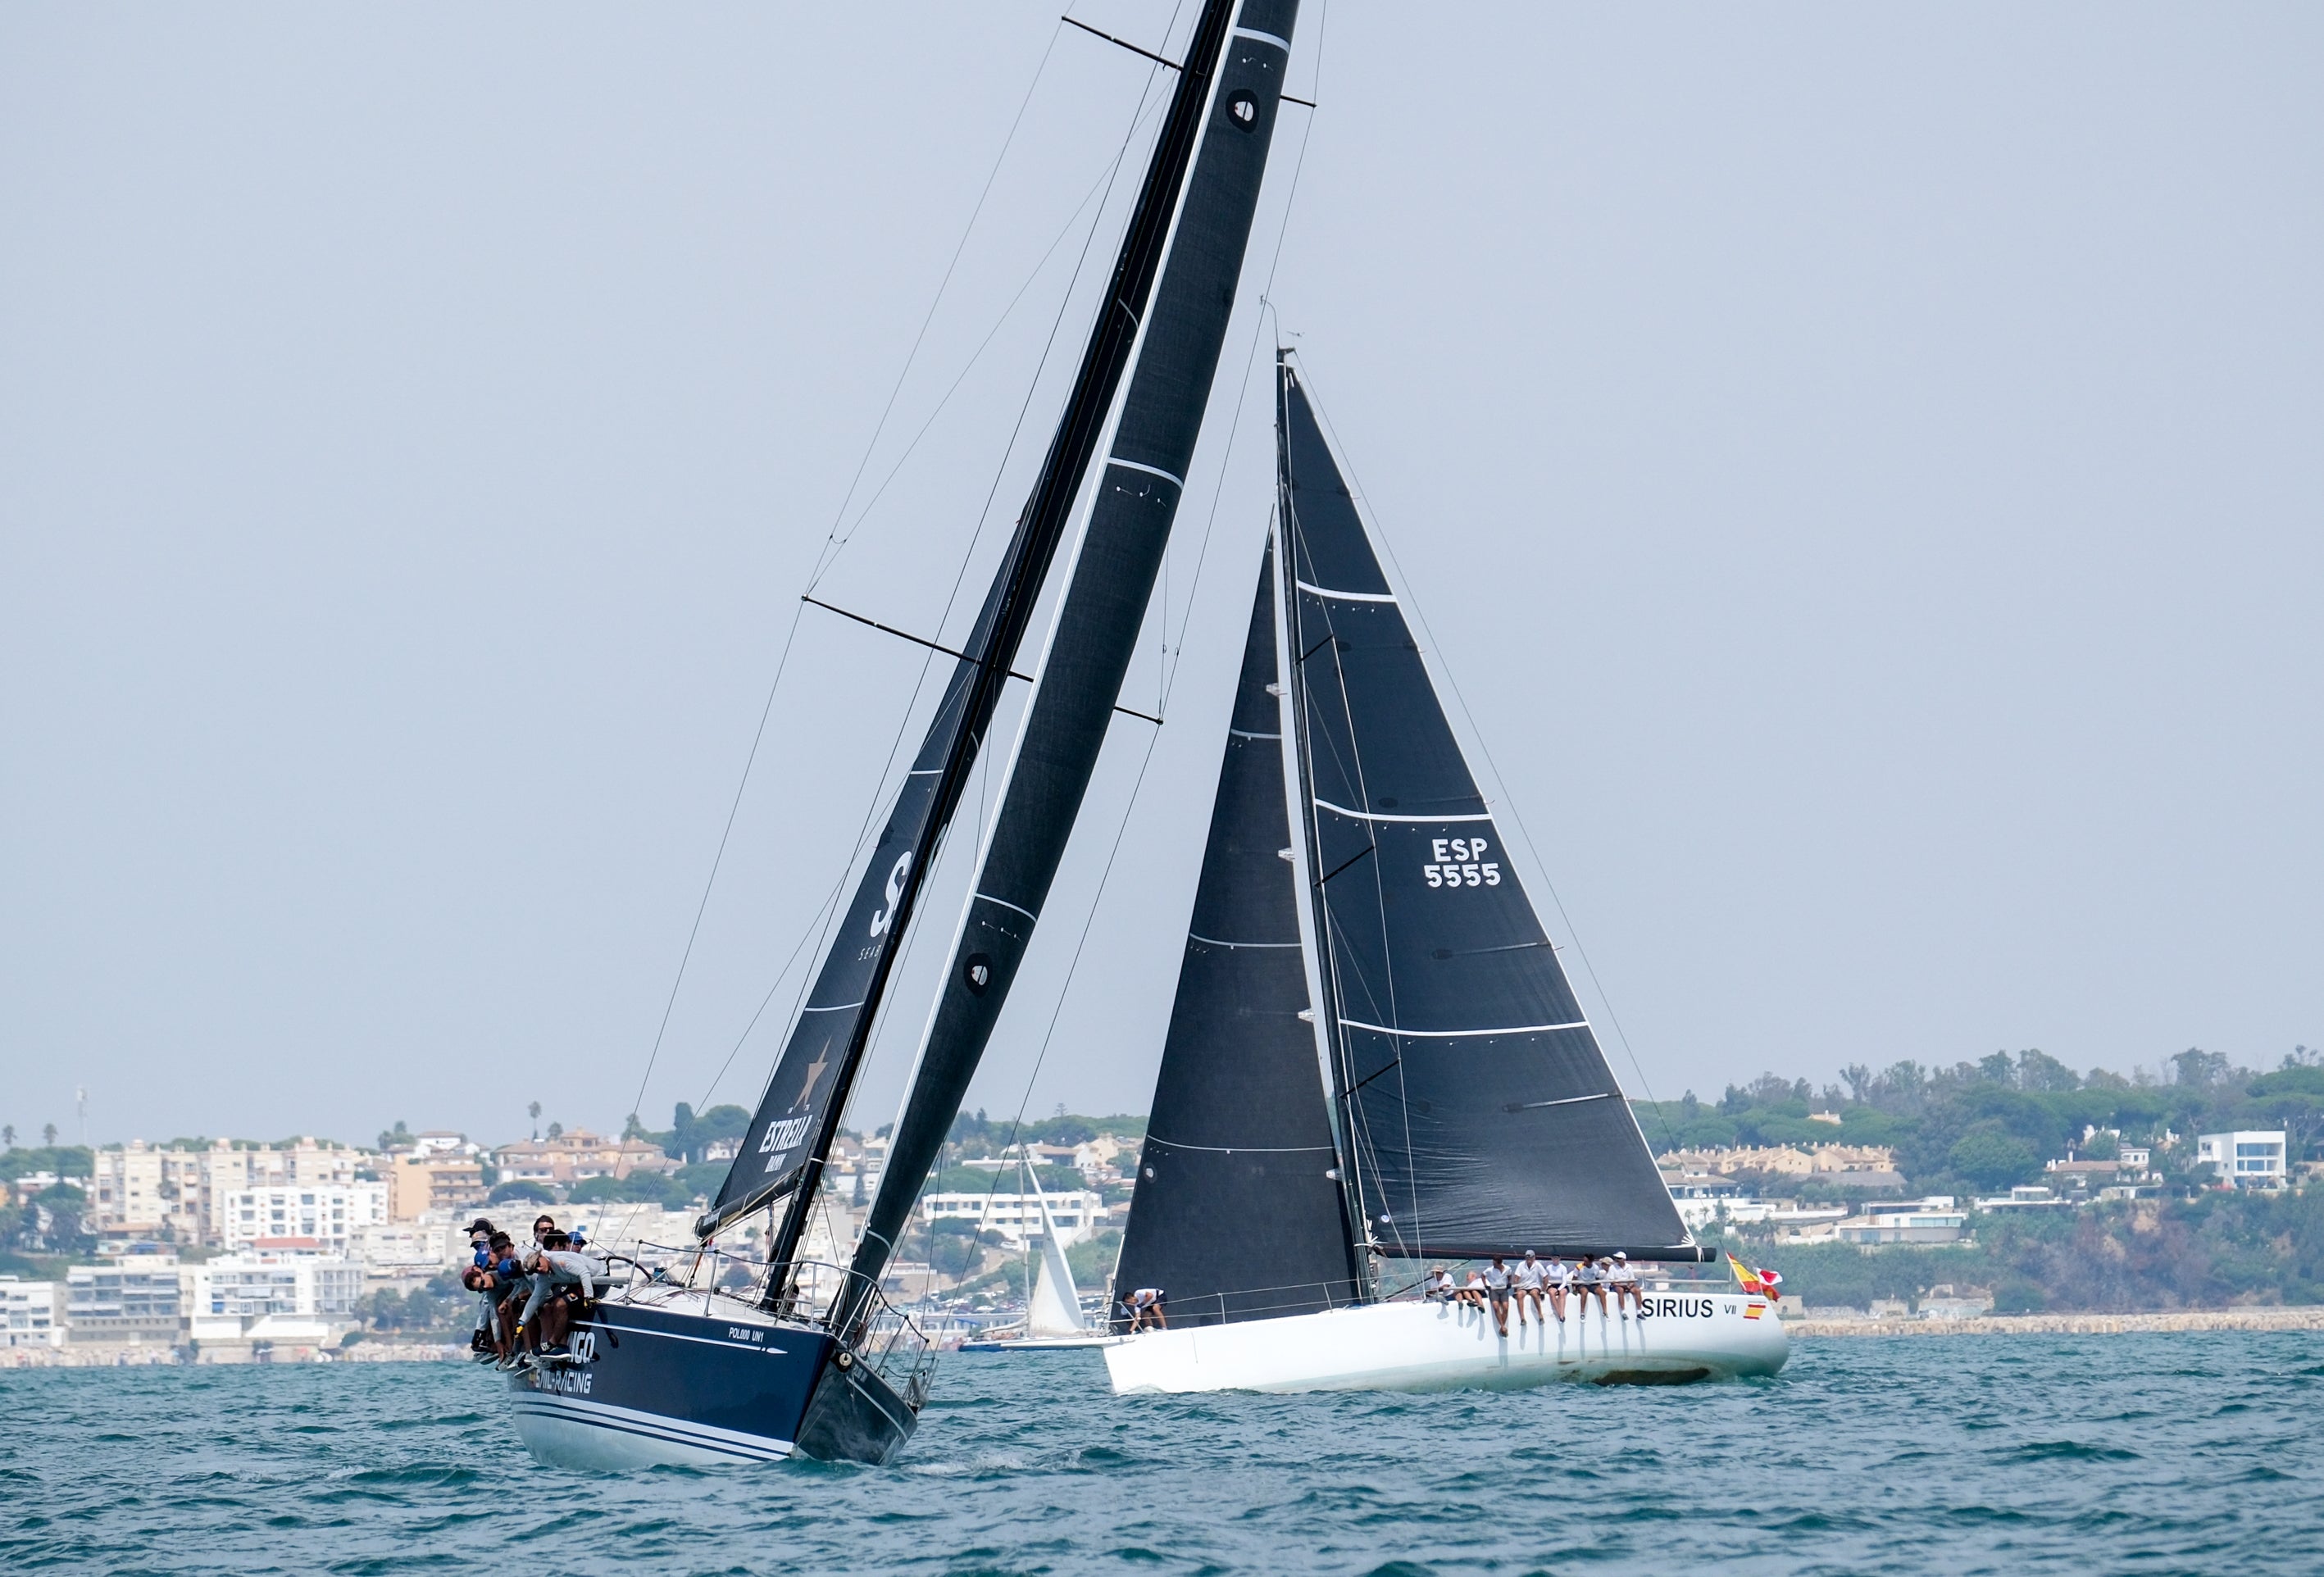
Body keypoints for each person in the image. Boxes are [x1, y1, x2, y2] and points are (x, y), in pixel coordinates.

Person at [1479, 1256, 1513, 1336]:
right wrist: (1486, 1284)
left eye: (1495, 1263)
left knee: (1505, 1307)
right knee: (1496, 1307)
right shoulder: (1490, 1270)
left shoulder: (1507, 1269)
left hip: (1503, 1289)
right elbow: (1483, 1275)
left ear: (1499, 1263)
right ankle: (1502, 1327)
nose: (1493, 1264)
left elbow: (1509, 1275)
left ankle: (1502, 1327)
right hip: (1494, 1290)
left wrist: (1509, 1282)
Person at [1512, 1251, 1546, 1328]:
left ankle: (1540, 1315)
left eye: (1530, 1257)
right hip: (1523, 1286)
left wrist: (1543, 1290)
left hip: (1534, 1285)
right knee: (1519, 1295)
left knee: (1534, 1293)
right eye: (1527, 1257)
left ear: (1534, 1257)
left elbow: (1545, 1277)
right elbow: (1516, 1278)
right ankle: (1522, 1318)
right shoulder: (1521, 1265)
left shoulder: (1538, 1265)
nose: (1529, 1259)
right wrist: (1515, 1290)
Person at [1609, 1252, 1642, 1318]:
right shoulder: (1612, 1267)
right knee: (1620, 1290)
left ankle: (1639, 1312)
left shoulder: (1629, 1267)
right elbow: (1612, 1282)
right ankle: (1623, 1312)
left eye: (1619, 1258)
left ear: (1624, 1259)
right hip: (1617, 1285)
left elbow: (1632, 1279)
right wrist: (1622, 1285)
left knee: (1637, 1290)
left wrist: (1629, 1286)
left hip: (1628, 1285)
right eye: (1616, 1258)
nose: (1617, 1259)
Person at [1574, 1254, 1608, 1319]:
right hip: (1581, 1284)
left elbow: (1597, 1278)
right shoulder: (1579, 1267)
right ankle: (1582, 1312)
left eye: (1586, 1261)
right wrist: (1574, 1288)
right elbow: (1574, 1278)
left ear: (1591, 1261)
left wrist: (1600, 1286)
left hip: (1592, 1284)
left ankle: (1605, 1311)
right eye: (1584, 1261)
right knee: (1584, 1292)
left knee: (1602, 1293)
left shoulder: (1596, 1268)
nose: (1584, 1262)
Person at [1544, 1256, 1570, 1324]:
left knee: (1562, 1293)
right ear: (1552, 1259)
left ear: (1559, 1259)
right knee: (1552, 1293)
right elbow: (1547, 1279)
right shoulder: (1549, 1268)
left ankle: (1562, 1313)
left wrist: (1559, 1289)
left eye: (1557, 1258)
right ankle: (1559, 1314)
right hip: (1552, 1285)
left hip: (1562, 1285)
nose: (1555, 1259)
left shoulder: (1563, 1268)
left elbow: (1564, 1281)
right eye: (1554, 1258)